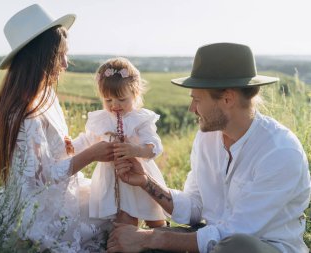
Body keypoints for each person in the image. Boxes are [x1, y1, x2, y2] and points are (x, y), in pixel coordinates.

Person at [107, 43, 311, 253]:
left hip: (261, 247)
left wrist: (149, 238)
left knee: (235, 247)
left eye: (197, 99)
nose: (192, 109)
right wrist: (146, 182)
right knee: (138, 248)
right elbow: (194, 207)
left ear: (227, 99)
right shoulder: (207, 138)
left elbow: (235, 233)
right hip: (213, 237)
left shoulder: (280, 152)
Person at [0, 4, 114, 252]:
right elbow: (42, 178)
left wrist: (91, 139)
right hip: (41, 210)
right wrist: (91, 155)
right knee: (113, 211)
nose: (66, 63)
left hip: (58, 194)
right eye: (60, 55)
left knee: (113, 199)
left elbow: (59, 152)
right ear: (40, 57)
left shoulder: (45, 95)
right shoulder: (25, 112)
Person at [73, 57, 167, 228]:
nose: (115, 105)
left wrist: (136, 150)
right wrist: (72, 146)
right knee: (124, 219)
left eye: (122, 100)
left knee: (154, 216)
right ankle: (127, 239)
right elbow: (87, 139)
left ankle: (161, 240)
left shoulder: (139, 119)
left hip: (139, 174)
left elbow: (154, 146)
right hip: (112, 177)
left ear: (135, 93)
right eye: (108, 100)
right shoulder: (102, 120)